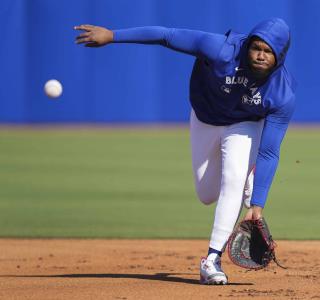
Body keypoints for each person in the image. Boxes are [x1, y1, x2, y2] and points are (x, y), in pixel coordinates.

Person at [74, 18, 295, 285]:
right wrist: (113, 35)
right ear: (247, 45)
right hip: (205, 118)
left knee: (234, 181)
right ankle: (248, 172)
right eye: (256, 47)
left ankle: (211, 260)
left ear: (279, 55)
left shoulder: (282, 93)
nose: (260, 55)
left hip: (245, 125)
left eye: (268, 51)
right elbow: (167, 35)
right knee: (206, 194)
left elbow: (270, 152)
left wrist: (258, 204)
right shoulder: (221, 49)